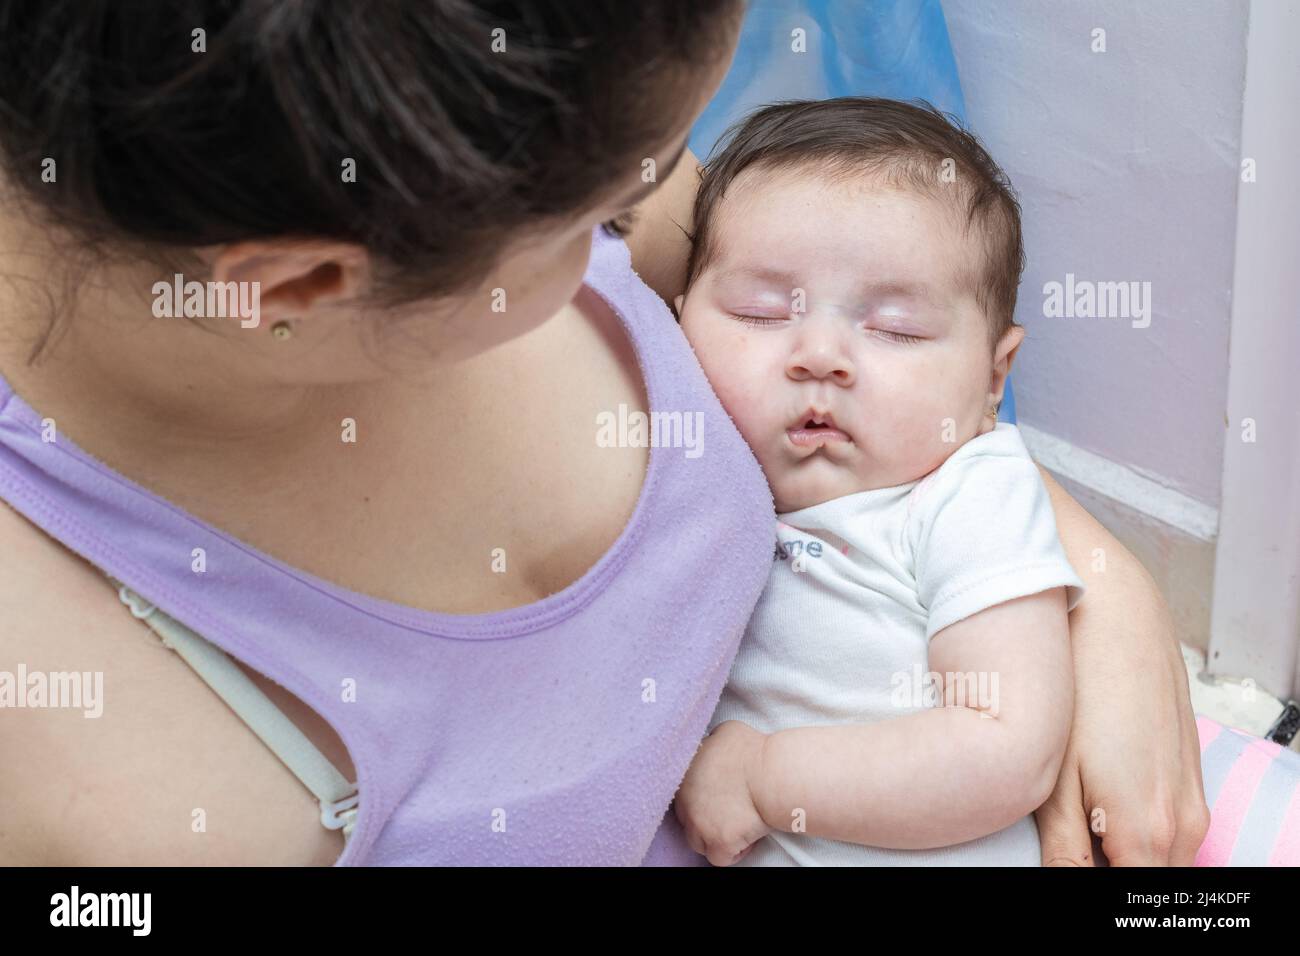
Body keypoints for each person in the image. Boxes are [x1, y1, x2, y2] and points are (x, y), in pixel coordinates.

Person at [0, 0, 1208, 865]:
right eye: (611, 215)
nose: (650, 221)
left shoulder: (514, 117)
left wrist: (1093, 582)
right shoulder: (90, 770)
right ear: (304, 286)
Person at [672, 97, 1085, 865]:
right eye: (763, 312)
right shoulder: (680, 472)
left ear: (994, 376)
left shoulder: (969, 493)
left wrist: (765, 778)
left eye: (897, 329)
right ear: (674, 324)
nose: (820, 353)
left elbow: (1007, 744)